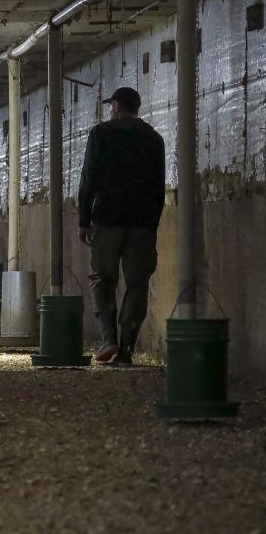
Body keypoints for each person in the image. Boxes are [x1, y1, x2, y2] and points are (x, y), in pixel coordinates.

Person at [78, 87, 165, 367]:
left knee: (103, 279)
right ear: (136, 108)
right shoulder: (154, 139)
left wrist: (84, 219)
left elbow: (89, 179)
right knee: (137, 284)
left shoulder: (100, 135)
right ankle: (126, 350)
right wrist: (152, 223)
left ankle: (108, 339)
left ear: (115, 106)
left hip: (107, 221)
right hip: (141, 224)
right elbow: (158, 188)